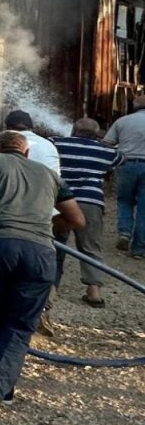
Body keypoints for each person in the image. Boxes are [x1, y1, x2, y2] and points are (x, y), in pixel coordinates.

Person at [0, 130, 85, 417]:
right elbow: (77, 219)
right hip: (40, 255)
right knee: (20, 325)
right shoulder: (49, 174)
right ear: (26, 153)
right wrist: (45, 228)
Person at [51, 118, 123, 307]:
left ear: (72, 130)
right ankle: (94, 292)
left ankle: (51, 290)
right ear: (97, 134)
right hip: (91, 201)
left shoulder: (56, 143)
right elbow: (121, 159)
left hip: (60, 201)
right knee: (91, 247)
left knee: (55, 244)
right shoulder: (107, 152)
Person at [104, 95, 145, 258]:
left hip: (126, 164)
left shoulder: (122, 121)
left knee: (125, 200)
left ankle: (124, 233)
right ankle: (139, 250)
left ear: (134, 106)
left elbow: (107, 144)